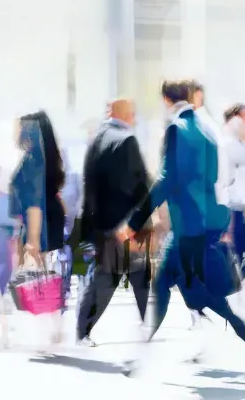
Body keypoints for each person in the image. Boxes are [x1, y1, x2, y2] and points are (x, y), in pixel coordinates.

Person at [128, 79, 245, 382]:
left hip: (187, 228)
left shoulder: (176, 128)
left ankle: (140, 356)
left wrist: (136, 221)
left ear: (166, 99)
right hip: (206, 225)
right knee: (185, 291)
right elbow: (217, 179)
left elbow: (166, 178)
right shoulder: (208, 130)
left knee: (172, 288)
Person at [76, 99, 154, 346]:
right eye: (133, 113)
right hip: (124, 226)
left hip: (100, 224)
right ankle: (84, 331)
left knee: (124, 275)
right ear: (127, 114)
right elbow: (139, 184)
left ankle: (148, 324)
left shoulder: (97, 139)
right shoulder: (127, 140)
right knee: (119, 277)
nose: (135, 118)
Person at [8, 111, 68, 351]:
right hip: (48, 218)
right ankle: (52, 327)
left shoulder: (32, 161)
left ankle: (46, 331)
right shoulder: (47, 158)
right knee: (45, 275)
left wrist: (32, 239)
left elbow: (33, 202)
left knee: (38, 276)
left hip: (38, 221)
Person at [219, 103, 245, 313]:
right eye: (243, 118)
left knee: (243, 254)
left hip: (239, 207)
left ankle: (240, 295)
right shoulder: (228, 143)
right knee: (238, 254)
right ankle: (236, 297)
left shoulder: (238, 144)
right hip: (228, 207)